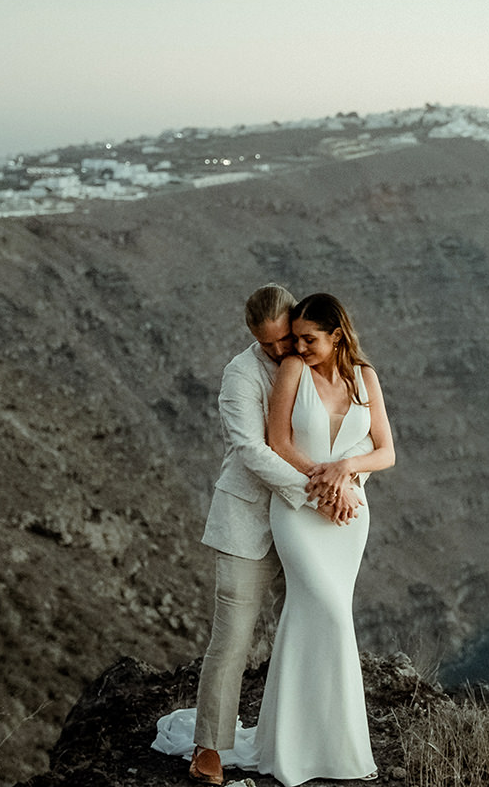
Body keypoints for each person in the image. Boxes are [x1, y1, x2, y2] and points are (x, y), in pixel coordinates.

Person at [182, 284, 371, 786]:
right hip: (250, 521)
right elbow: (255, 451)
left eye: (284, 339)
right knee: (232, 639)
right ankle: (208, 748)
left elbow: (349, 433)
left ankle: (309, 739)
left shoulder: (315, 359)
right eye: (266, 344)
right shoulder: (239, 375)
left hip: (311, 528)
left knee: (316, 628)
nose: (279, 350)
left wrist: (348, 482)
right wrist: (323, 489)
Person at [253, 292, 395, 785]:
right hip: (300, 510)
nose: (298, 346)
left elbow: (385, 451)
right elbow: (278, 442)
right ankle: (297, 747)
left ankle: (323, 745)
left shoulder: (365, 378)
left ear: (337, 335)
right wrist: (325, 481)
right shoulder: (293, 371)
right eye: (295, 339)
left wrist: (346, 471)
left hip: (348, 517)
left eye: (309, 339)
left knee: (318, 617)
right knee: (328, 615)